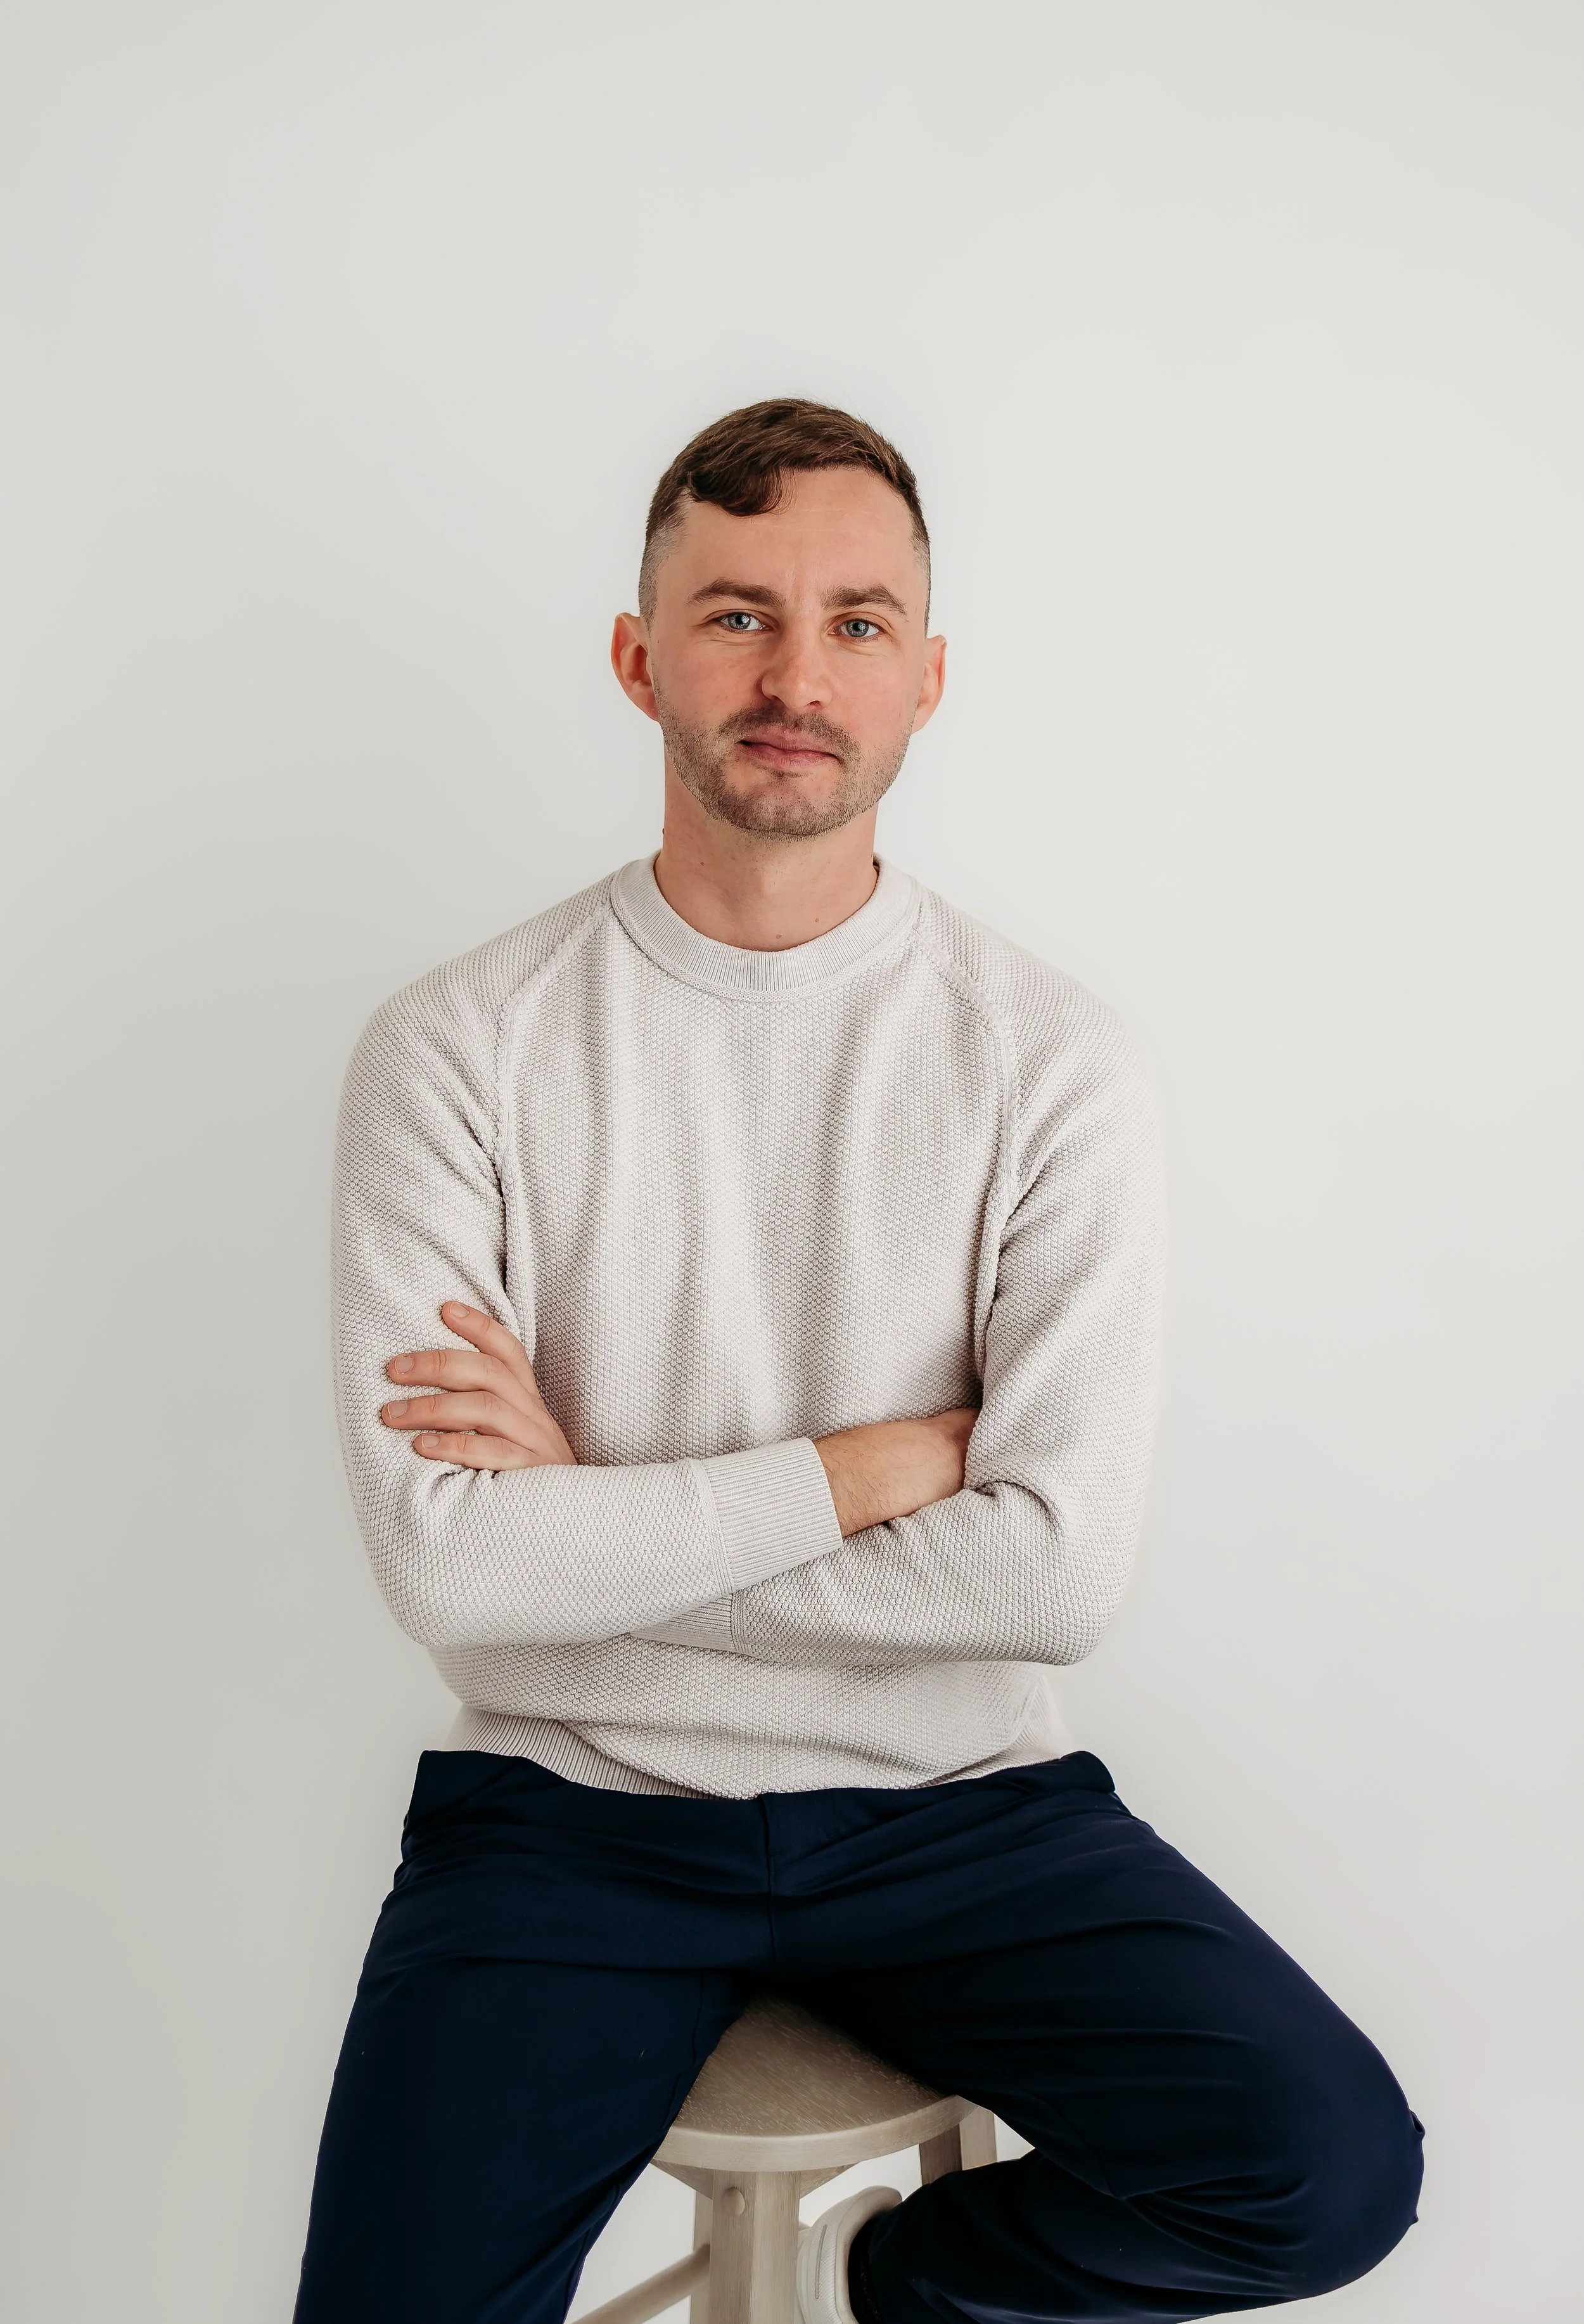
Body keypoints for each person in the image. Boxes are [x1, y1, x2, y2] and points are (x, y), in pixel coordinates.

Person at [295, 399, 1423, 2324]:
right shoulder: (457, 1047)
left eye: (855, 622)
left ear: (927, 677)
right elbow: (457, 1576)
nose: (795, 674)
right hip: (572, 1815)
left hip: (960, 1806)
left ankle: (922, 2286)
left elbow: (1051, 1575)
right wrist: (881, 1465)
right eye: (735, 616)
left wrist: (595, 1523)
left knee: (1320, 2174)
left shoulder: (1045, 1060)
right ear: (640, 655)